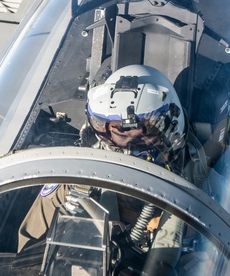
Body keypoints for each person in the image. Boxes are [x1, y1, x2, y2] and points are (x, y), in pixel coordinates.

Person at [17, 65, 188, 258]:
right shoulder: (73, 182)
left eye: (141, 135)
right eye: (114, 133)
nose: (126, 148)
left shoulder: (199, 180)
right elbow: (28, 258)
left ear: (171, 130)